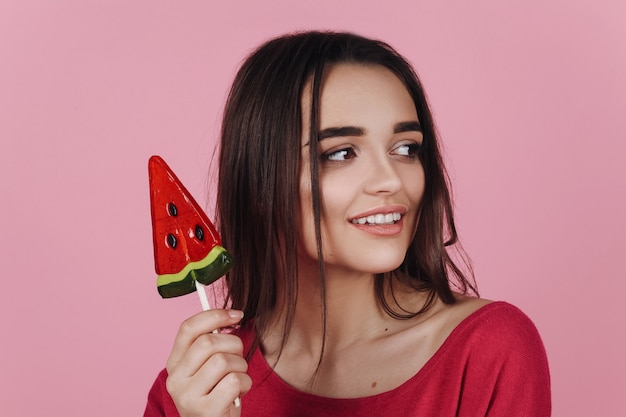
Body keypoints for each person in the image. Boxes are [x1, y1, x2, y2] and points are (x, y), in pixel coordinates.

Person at [144, 31, 551, 417]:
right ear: (261, 184)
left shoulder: (489, 350)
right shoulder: (195, 388)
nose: (392, 180)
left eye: (406, 148)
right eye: (340, 153)